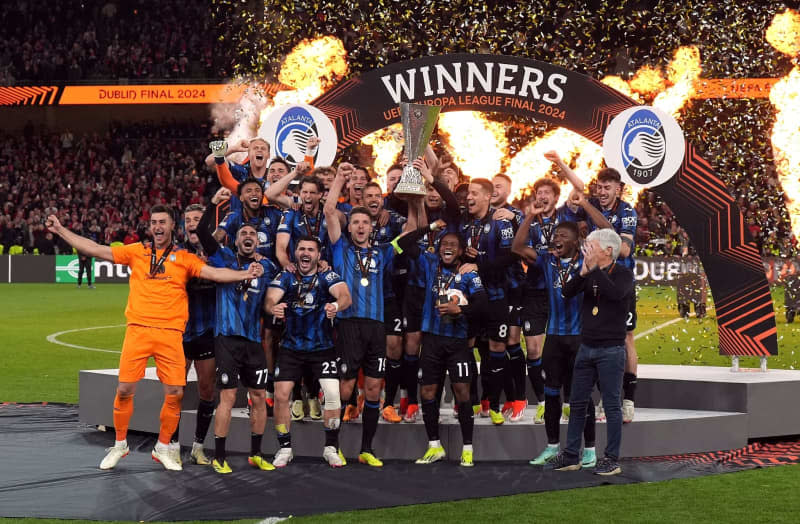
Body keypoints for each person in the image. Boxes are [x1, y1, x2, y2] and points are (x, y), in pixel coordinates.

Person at [45, 205, 261, 471]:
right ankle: (120, 444)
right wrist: (60, 230)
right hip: (138, 329)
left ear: (172, 227)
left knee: (175, 392)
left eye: (163, 222)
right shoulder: (137, 251)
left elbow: (215, 274)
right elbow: (95, 249)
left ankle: (162, 447)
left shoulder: (183, 258)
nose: (157, 227)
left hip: (171, 334)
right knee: (124, 389)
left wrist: (245, 273)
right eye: (154, 222)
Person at [547, 151, 638, 423]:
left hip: (618, 284)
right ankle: (602, 399)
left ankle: (629, 399)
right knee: (591, 339)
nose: (603, 192)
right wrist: (561, 163)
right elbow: (578, 190)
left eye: (608, 188)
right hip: (590, 280)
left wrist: (587, 205)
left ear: (620, 190)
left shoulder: (627, 212)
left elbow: (621, 249)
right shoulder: (587, 204)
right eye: (600, 188)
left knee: (625, 339)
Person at [324, 169, 403, 467]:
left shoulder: (383, 252)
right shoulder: (340, 247)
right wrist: (339, 180)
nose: (360, 225)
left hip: (376, 326)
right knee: (345, 388)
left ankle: (366, 449)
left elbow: (413, 231)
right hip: (348, 324)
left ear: (372, 227)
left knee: (373, 388)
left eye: (364, 222)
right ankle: (332, 446)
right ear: (349, 227)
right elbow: (330, 209)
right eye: (355, 221)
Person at [396, 209, 487, 467]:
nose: (448, 248)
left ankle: (468, 449)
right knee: (427, 390)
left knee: (461, 392)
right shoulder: (428, 263)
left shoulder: (469, 273)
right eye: (444, 244)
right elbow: (402, 243)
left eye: (453, 245)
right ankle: (434, 445)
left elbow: (483, 306)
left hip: (457, 342)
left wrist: (461, 310)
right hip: (432, 340)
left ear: (460, 251)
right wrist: (431, 227)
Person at [195, 204, 280, 474]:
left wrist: (275, 308)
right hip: (227, 340)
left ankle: (256, 453)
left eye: (252, 234)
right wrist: (214, 204)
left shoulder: (267, 266)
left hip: (254, 342)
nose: (247, 237)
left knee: (257, 397)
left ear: (257, 240)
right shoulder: (223, 259)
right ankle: (220, 456)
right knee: (228, 398)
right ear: (236, 239)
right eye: (243, 233)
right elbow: (201, 233)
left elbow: (274, 296)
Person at [513, 217, 597, 468]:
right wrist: (529, 216)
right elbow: (517, 247)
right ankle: (552, 447)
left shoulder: (587, 262)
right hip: (555, 338)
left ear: (575, 241)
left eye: (562, 236)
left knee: (582, 396)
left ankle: (590, 450)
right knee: (551, 395)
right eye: (555, 235)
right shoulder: (548, 261)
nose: (556, 239)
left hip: (580, 338)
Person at [550, 228, 634, 476]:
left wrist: (594, 270)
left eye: (590, 246)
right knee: (577, 403)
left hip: (611, 349)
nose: (585, 250)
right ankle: (571, 455)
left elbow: (616, 294)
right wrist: (584, 272)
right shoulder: (589, 272)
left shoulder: (623, 274)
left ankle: (611, 458)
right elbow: (566, 292)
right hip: (586, 347)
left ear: (608, 251)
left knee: (611, 406)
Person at [264, 236, 352, 467]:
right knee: (282, 395)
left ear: (318, 255)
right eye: (301, 249)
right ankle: (285, 448)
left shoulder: (327, 276)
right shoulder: (285, 276)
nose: (306, 253)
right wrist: (273, 306)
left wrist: (335, 305)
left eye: (311, 249)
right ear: (295, 253)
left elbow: (345, 296)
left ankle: (331, 447)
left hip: (322, 347)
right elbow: (269, 299)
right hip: (291, 347)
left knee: (333, 395)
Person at [458, 178, 516, 426]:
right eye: (467, 193)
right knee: (467, 346)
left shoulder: (501, 222)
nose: (468, 197)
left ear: (487, 197)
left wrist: (478, 263)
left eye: (473, 193)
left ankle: (493, 403)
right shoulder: (464, 223)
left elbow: (510, 256)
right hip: (470, 297)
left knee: (497, 349)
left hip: (496, 297)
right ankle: (472, 401)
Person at [176, 203, 217, 466]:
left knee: (206, 391)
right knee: (174, 392)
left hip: (207, 331)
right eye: (188, 220)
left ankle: (198, 446)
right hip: (179, 332)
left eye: (197, 219)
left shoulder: (218, 254)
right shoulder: (177, 255)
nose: (192, 223)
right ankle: (168, 444)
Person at [491, 173, 527, 421]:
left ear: (509, 191)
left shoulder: (517, 215)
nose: (494, 190)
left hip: (513, 287)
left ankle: (520, 398)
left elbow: (527, 235)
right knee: (494, 347)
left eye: (499, 186)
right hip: (489, 291)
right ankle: (505, 397)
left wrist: (515, 218)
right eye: (491, 186)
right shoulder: (483, 217)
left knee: (512, 342)